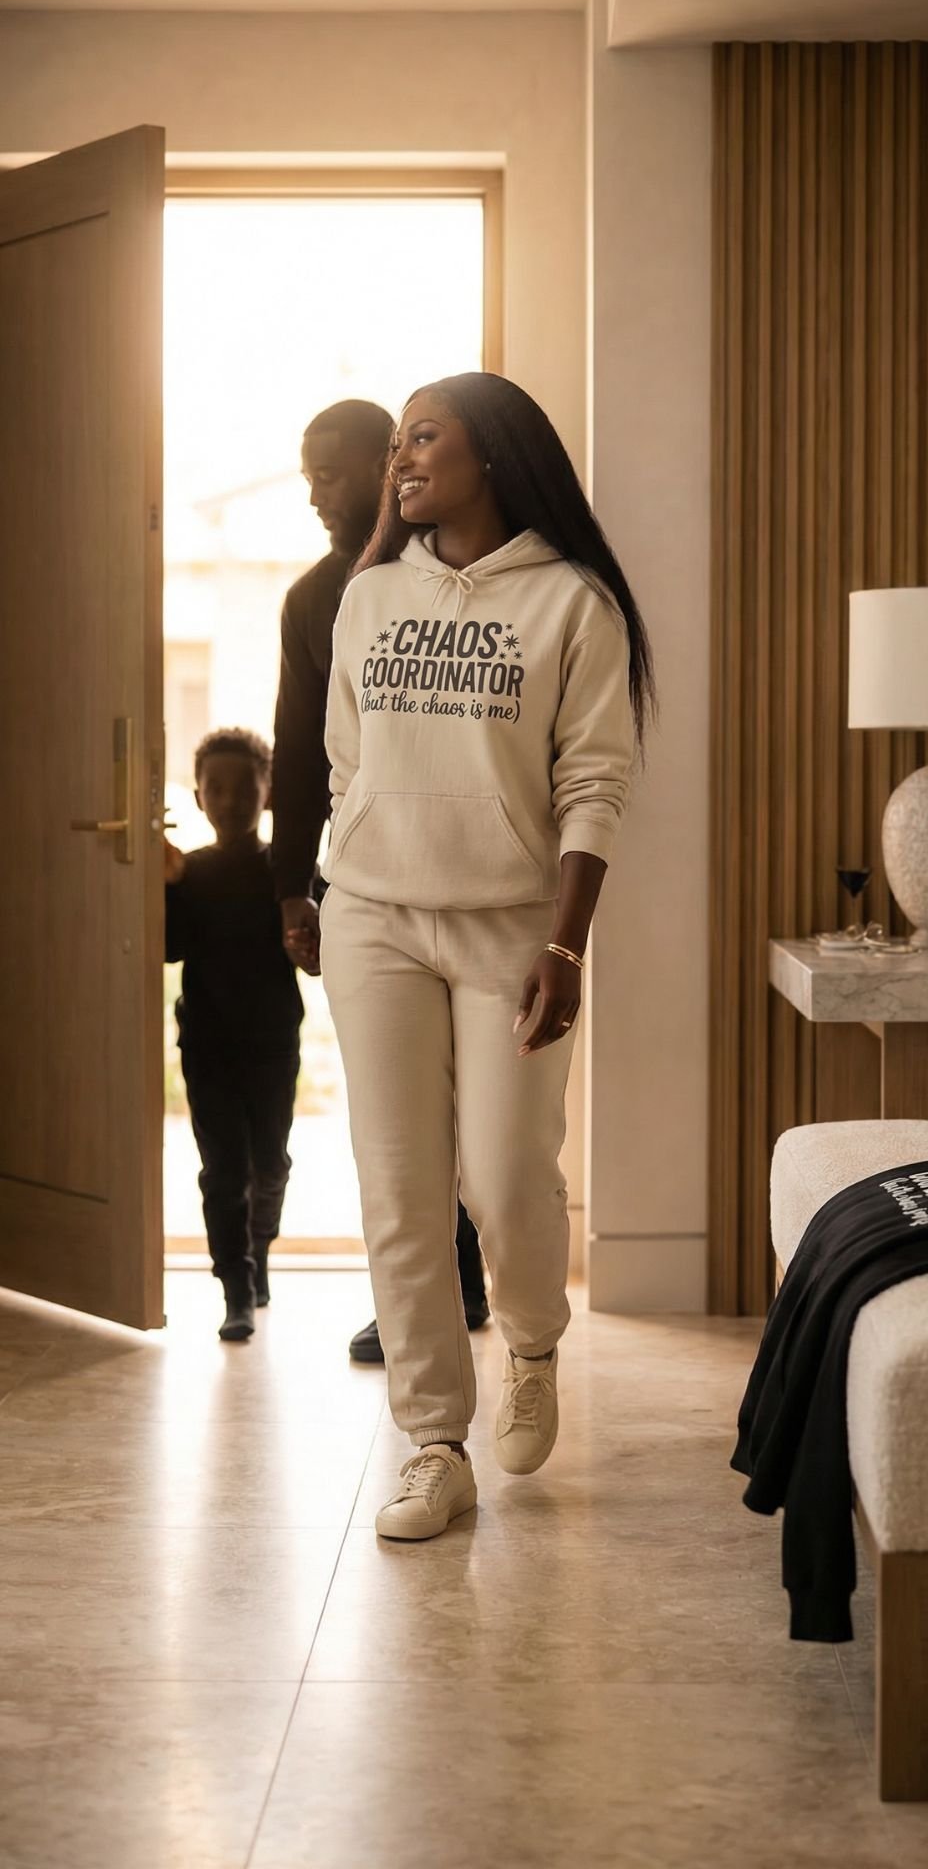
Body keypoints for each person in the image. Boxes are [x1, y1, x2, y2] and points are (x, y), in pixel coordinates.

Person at [319, 371, 655, 1540]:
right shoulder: (367, 598)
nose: (400, 455)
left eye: (425, 436)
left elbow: (595, 783)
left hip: (513, 922)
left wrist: (566, 940)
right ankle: (431, 1443)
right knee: (399, 1185)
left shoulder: (573, 605)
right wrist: (333, 877)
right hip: (375, 914)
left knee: (506, 1176)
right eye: (399, 441)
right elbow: (341, 764)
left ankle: (533, 1338)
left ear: (494, 458)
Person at [271, 398, 490, 1363]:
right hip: (364, 889)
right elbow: (296, 758)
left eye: (332, 472)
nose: (316, 493)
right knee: (397, 1119)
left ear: (387, 465)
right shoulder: (316, 600)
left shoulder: (470, 577)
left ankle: (477, 1280)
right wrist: (295, 891)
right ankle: (426, 1301)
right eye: (307, 475)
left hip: (481, 892)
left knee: (481, 1119)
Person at [164, 729, 302, 1342]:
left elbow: (318, 946)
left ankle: (259, 1249)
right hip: (208, 1048)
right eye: (214, 788)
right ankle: (236, 1288)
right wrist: (162, 884)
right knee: (223, 1169)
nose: (229, 799)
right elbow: (168, 949)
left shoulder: (287, 871)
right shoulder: (189, 873)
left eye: (244, 787)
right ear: (197, 797)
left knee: (269, 1163)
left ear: (268, 794)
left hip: (274, 1043)